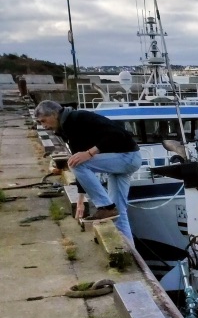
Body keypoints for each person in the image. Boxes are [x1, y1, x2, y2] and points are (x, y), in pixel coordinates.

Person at [33, 100, 141, 239]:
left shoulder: (78, 118)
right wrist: (80, 201)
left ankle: (106, 207)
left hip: (128, 157)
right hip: (124, 160)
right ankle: (129, 249)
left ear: (54, 114)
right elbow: (80, 164)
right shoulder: (67, 127)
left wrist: (90, 153)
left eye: (44, 120)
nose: (44, 126)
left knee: (75, 163)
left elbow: (117, 134)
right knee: (119, 212)